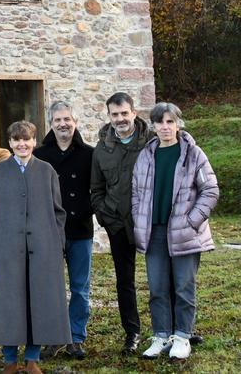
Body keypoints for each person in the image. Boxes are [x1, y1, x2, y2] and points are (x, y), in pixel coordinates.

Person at [133, 103, 219, 361]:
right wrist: (140, 217)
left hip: (185, 233)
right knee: (157, 288)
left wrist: (192, 220)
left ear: (179, 124)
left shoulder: (193, 154)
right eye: (160, 122)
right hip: (154, 233)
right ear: (154, 126)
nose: (165, 127)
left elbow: (210, 190)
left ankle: (182, 337)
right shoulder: (146, 155)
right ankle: (161, 336)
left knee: (183, 287)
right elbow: (136, 193)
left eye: (170, 122)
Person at [0, 120, 68, 374]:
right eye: (16, 140)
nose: (22, 144)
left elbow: (58, 212)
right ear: (9, 143)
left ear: (34, 141)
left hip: (43, 248)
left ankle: (32, 359)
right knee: (9, 303)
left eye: (27, 139)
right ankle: (10, 360)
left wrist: (56, 243)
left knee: (38, 302)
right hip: (7, 247)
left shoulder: (46, 170)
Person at [89, 92, 153, 354]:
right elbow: (96, 189)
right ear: (109, 117)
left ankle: (176, 329)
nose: (120, 119)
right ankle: (132, 333)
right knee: (124, 281)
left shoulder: (152, 141)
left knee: (163, 277)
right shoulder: (101, 149)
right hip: (118, 224)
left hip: (151, 222)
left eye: (124, 113)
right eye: (115, 115)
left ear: (134, 113)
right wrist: (105, 216)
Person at [35, 102, 94, 360]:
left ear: (75, 121)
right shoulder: (40, 155)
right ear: (51, 123)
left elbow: (98, 189)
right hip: (50, 232)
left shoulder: (89, 154)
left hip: (80, 230)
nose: (63, 124)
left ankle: (76, 336)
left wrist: (87, 210)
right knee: (52, 287)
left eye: (67, 119)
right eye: (58, 119)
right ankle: (53, 336)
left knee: (80, 287)